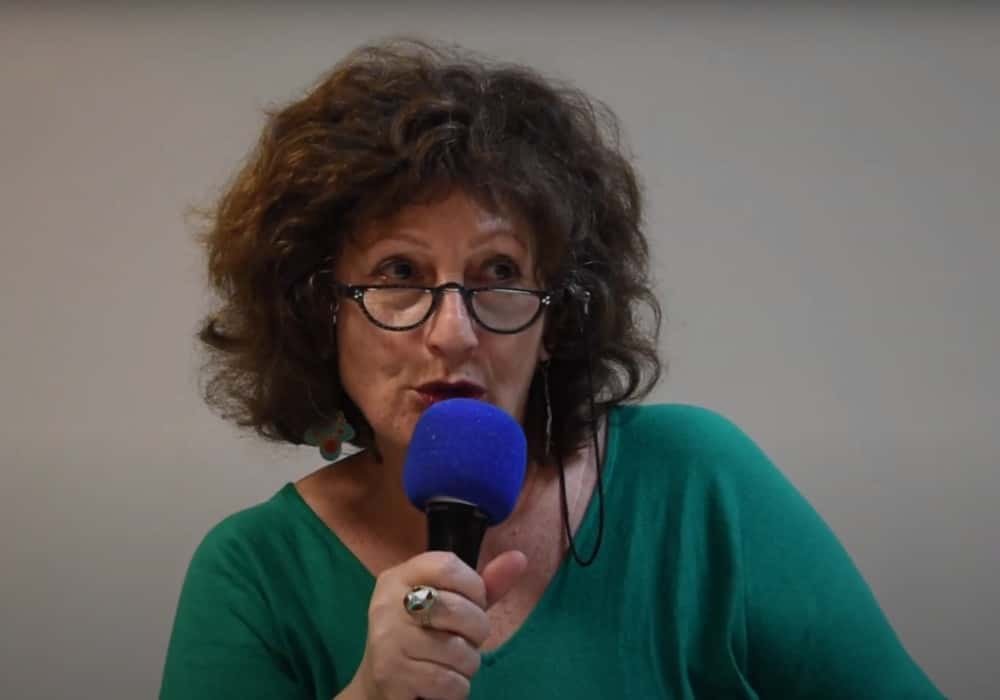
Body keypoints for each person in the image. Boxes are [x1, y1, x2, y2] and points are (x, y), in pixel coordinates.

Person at [160, 37, 944, 700]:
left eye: (499, 274)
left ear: (556, 318)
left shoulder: (698, 485)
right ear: (320, 311)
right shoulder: (253, 573)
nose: (453, 333)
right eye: (399, 273)